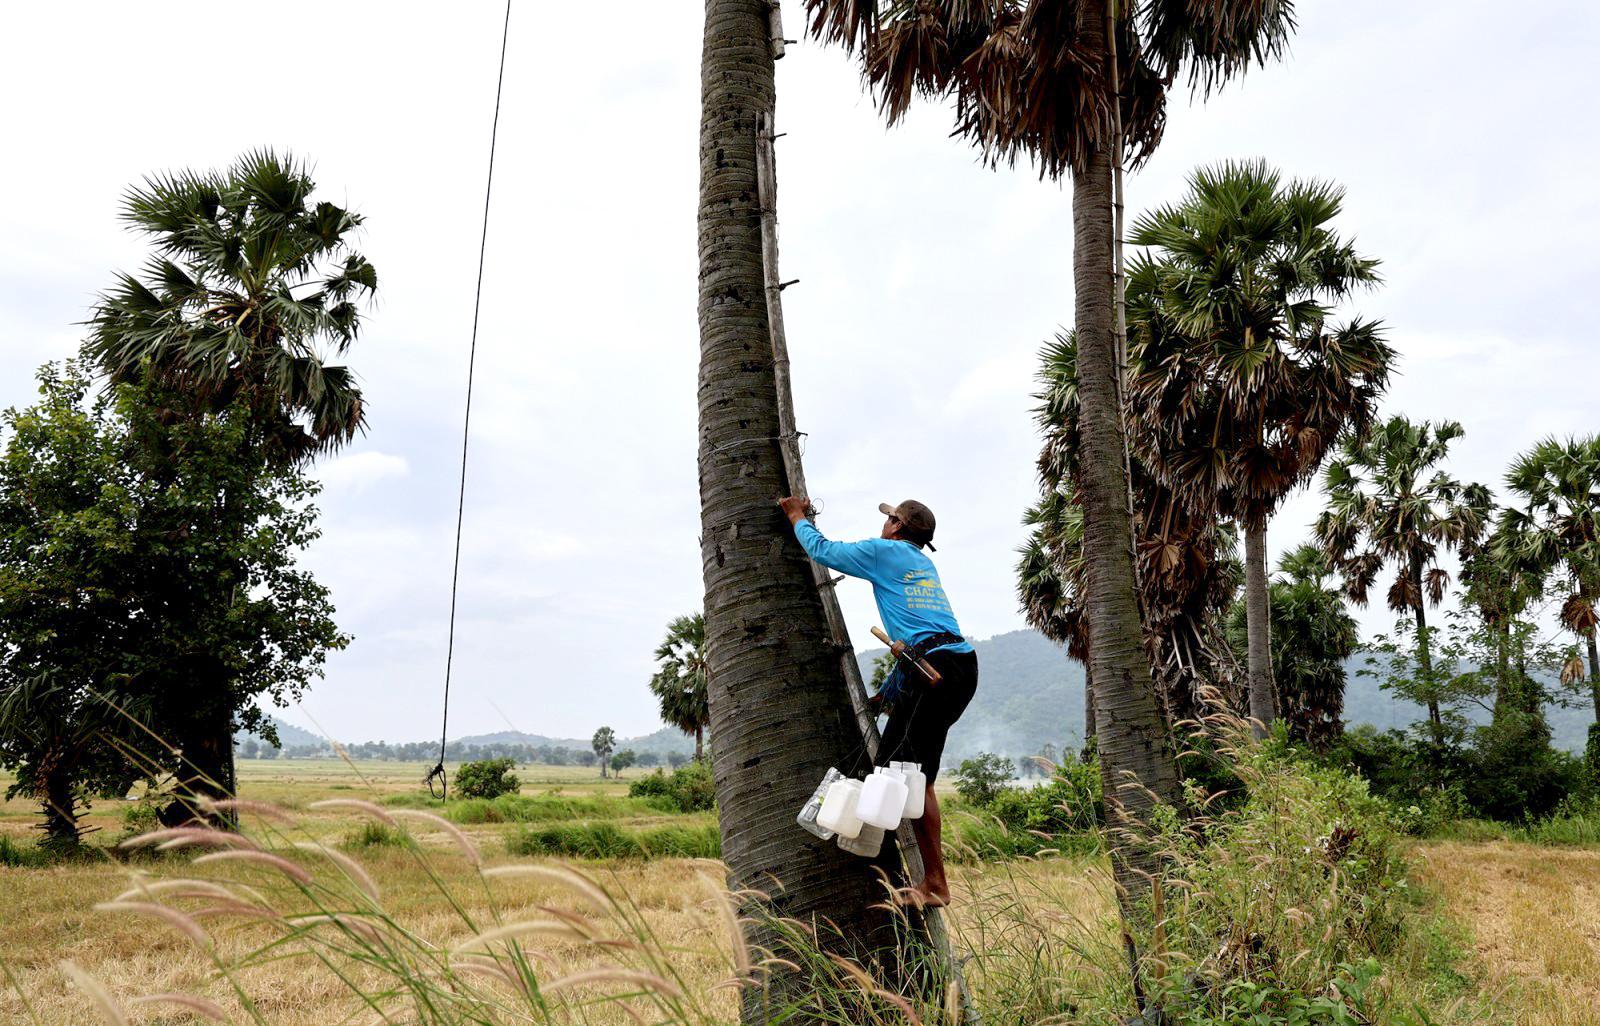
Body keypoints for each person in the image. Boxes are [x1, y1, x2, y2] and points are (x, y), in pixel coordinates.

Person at [777, 495, 979, 908]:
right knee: (910, 774)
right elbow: (919, 641)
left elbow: (823, 551)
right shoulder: (922, 564)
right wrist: (885, 696)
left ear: (898, 527)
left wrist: (797, 516)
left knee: (906, 776)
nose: (884, 525)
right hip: (956, 667)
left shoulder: (884, 551)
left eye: (889, 519)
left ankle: (934, 883)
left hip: (933, 670)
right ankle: (917, 873)